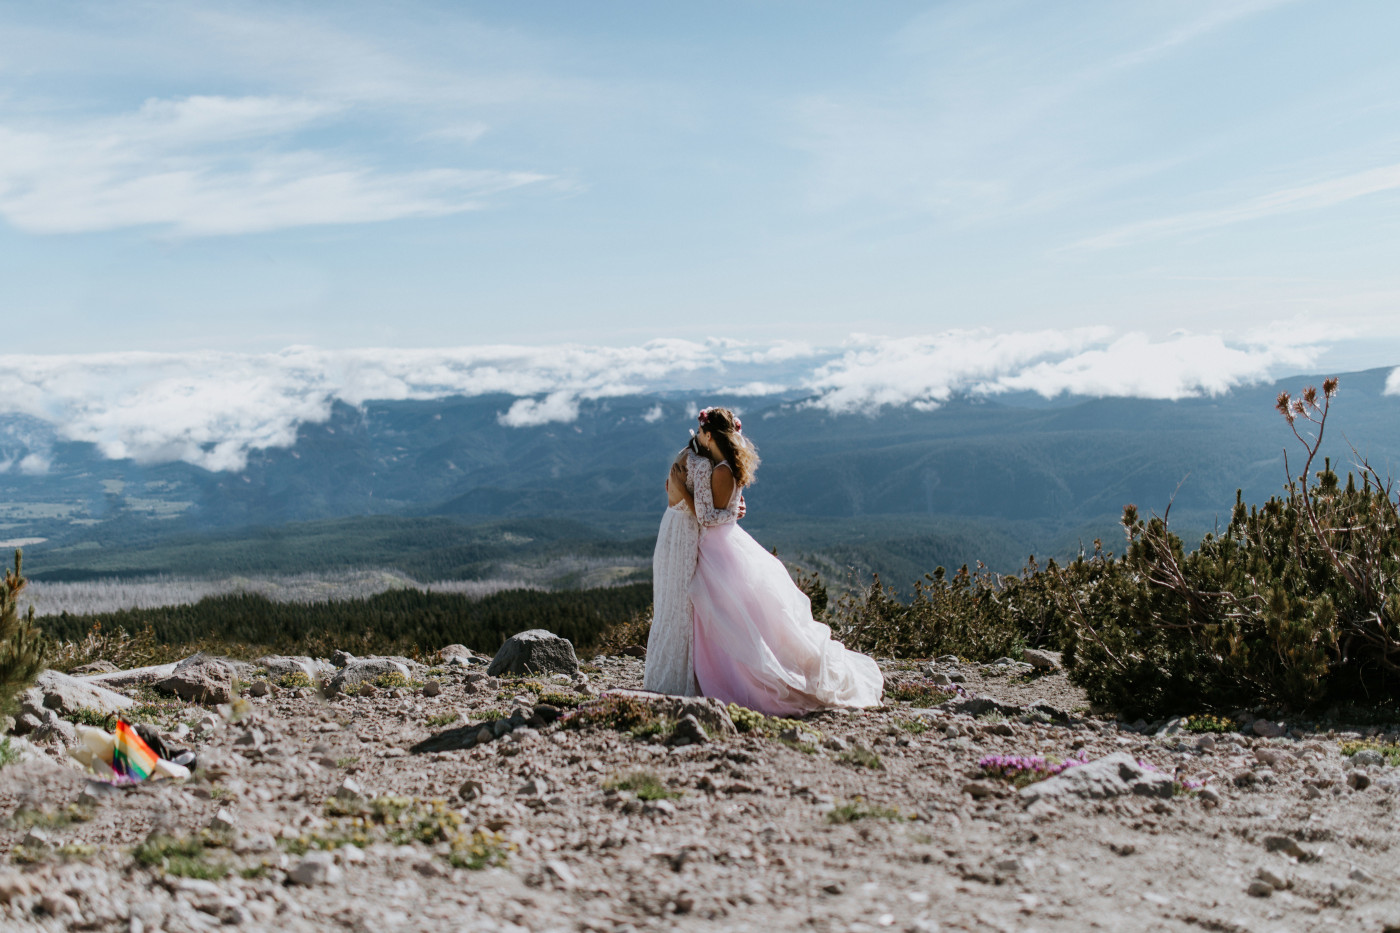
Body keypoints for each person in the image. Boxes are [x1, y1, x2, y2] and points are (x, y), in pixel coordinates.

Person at [672, 406, 884, 717]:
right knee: (729, 614)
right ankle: (716, 674)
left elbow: (707, 517)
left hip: (718, 548)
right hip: (726, 543)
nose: (699, 438)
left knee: (725, 615)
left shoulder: (719, 469)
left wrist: (680, 491)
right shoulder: (725, 465)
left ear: (708, 434)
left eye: (701, 432)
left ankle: (735, 679)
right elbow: (727, 508)